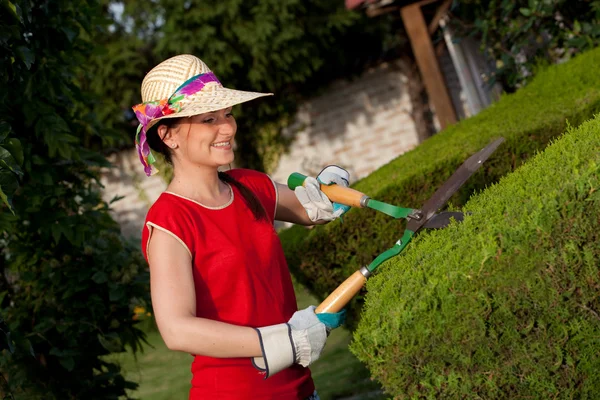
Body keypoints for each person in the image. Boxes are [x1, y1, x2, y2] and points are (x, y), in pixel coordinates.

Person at [133, 54, 351, 399]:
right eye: (209, 119)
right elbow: (176, 329)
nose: (228, 128)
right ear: (168, 135)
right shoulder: (170, 221)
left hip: (301, 391)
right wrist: (282, 340)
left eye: (228, 114)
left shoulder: (249, 186)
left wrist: (328, 190)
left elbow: (314, 209)